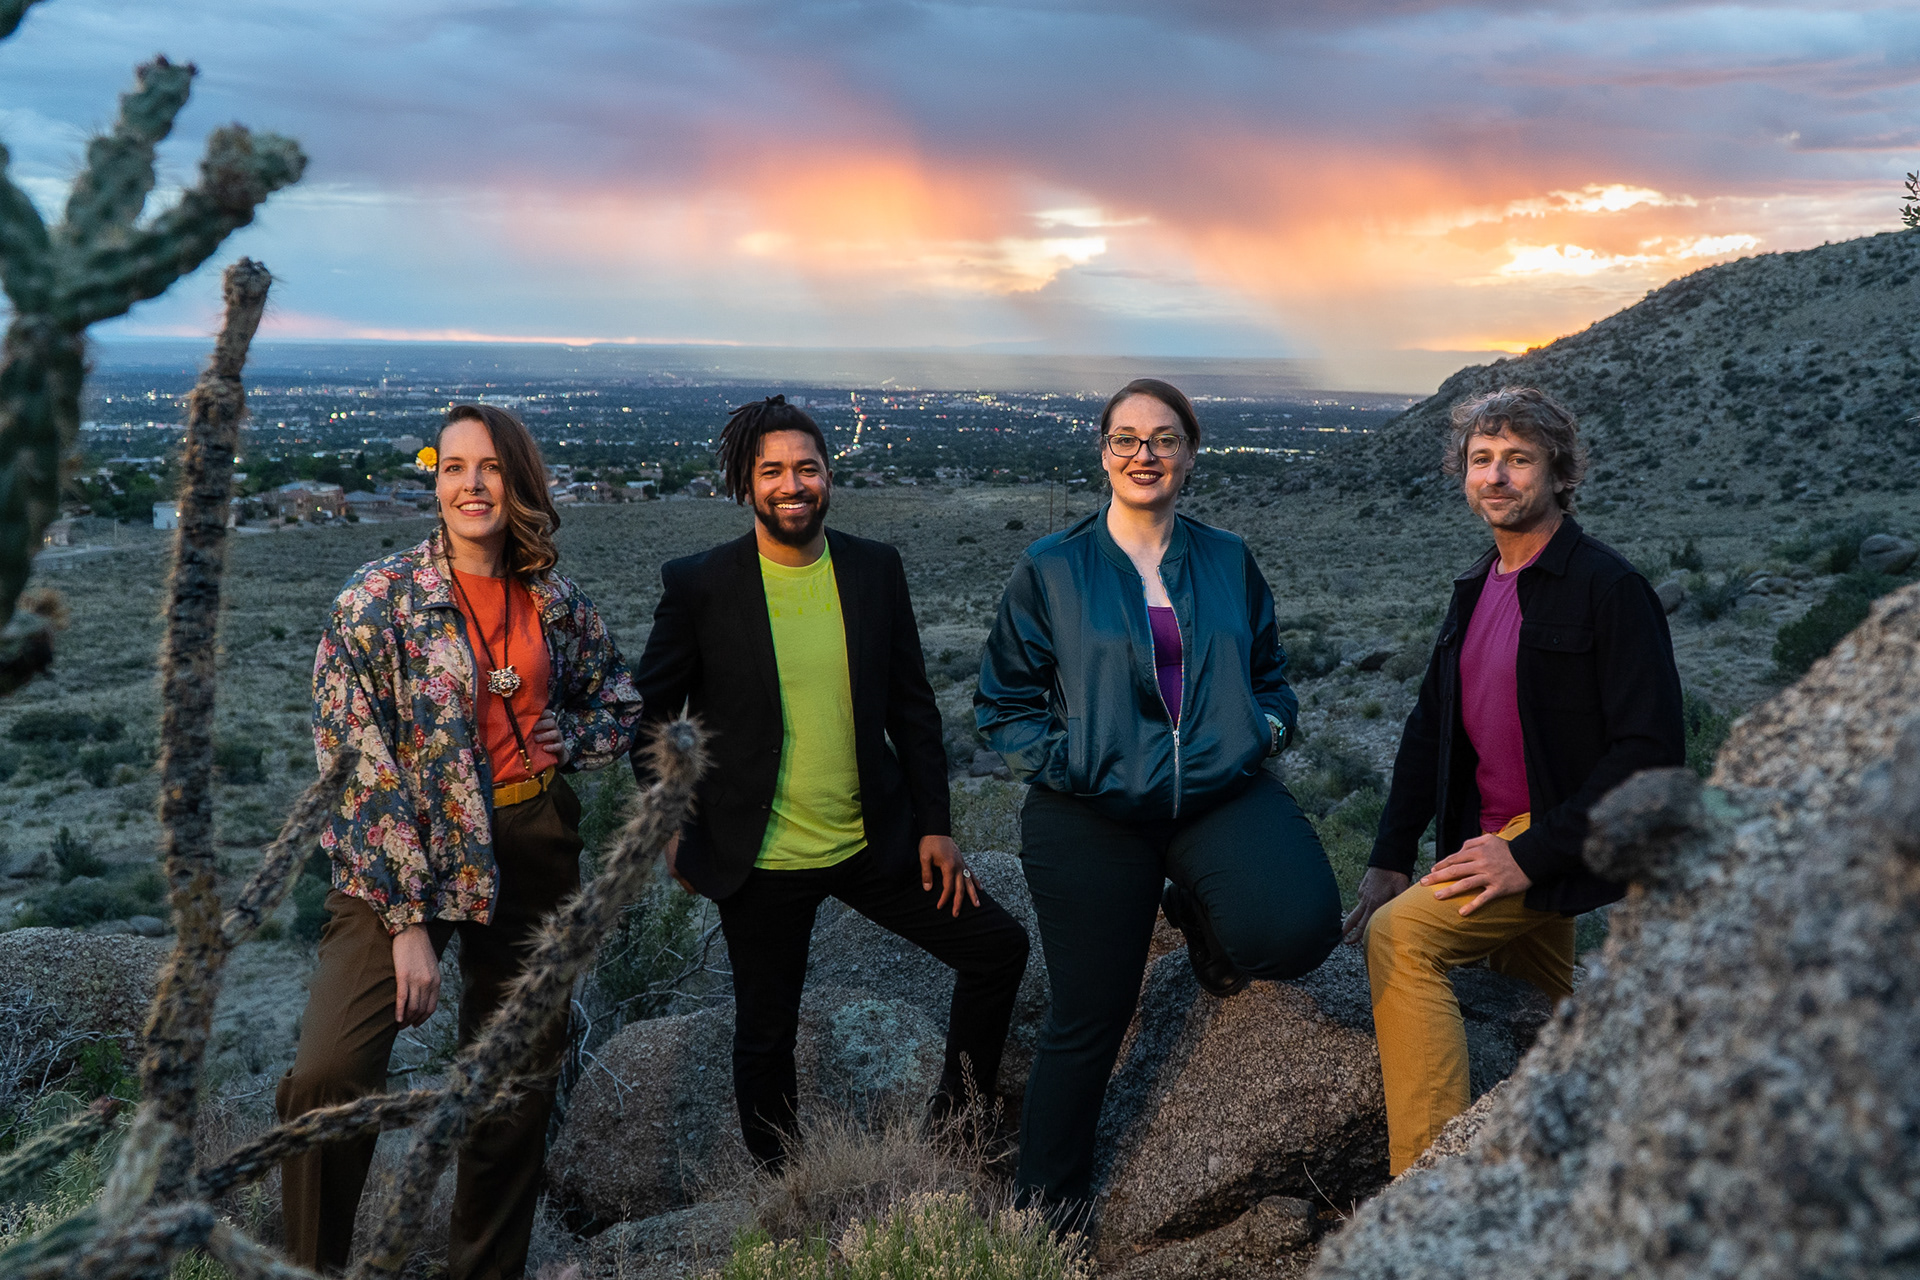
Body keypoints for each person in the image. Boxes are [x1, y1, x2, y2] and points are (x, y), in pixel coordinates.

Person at [280, 403, 644, 1279]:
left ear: (519, 481)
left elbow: (621, 700)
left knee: (511, 1087)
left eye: (491, 467)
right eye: (453, 467)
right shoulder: (376, 603)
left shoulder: (553, 599)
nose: (472, 485)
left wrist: (572, 736)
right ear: (435, 481)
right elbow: (354, 767)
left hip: (532, 839)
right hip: (406, 851)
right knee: (330, 1074)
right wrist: (407, 921)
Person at [975, 377, 1342, 1218]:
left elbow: (1272, 674)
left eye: (1165, 439)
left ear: (1190, 454)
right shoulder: (1054, 567)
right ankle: (1046, 1218)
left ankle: (1202, 915)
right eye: (1127, 439)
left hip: (1216, 790)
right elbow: (1003, 703)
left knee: (1298, 930)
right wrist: (1077, 764)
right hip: (1091, 806)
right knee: (1090, 1016)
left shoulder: (1226, 558)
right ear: (1104, 452)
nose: (1145, 455)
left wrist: (1265, 730)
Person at [631, 395, 1029, 1169]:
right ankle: (788, 1187)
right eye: (772, 470)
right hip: (758, 857)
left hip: (873, 842)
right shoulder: (701, 585)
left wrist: (936, 825)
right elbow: (650, 717)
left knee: (998, 949)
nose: (792, 484)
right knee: (765, 1034)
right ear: (745, 484)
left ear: (828, 477)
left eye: (806, 468)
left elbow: (913, 707)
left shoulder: (873, 569)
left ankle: (955, 1135)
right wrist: (669, 825)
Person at [1343, 386, 1685, 1176]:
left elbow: (1651, 754)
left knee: (1402, 939)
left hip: (1551, 836)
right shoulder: (1477, 586)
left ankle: (1426, 1193)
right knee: (1544, 1020)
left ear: (1561, 474)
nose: (1496, 476)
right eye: (1481, 459)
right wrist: (1391, 854)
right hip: (1492, 837)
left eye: (1518, 459)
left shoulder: (1607, 587)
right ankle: (1612, 1164)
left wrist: (1527, 857)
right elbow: (1430, 728)